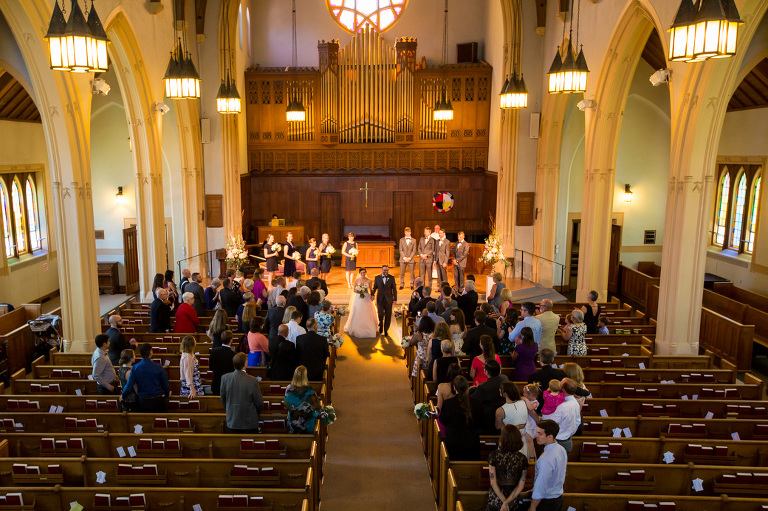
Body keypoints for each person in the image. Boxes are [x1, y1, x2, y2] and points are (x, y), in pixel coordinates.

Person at [438, 375, 484, 461]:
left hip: (454, 443)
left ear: (454, 388)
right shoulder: (477, 403)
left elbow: (442, 420)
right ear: (467, 387)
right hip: (472, 443)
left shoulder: (448, 404)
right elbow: (481, 422)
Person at [486, 424, 528, 511]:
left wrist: (503, 501)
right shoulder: (522, 458)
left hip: (496, 497)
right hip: (512, 498)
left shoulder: (494, 455)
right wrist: (507, 502)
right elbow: (521, 485)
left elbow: (493, 483)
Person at [220, 353, 264, 434]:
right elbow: (259, 403)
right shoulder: (252, 381)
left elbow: (223, 399)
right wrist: (256, 413)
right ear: (245, 363)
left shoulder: (225, 378)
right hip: (249, 422)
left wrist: (230, 410)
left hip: (233, 421)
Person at [122, 343, 170, 413]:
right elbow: (165, 385)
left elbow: (128, 386)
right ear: (150, 352)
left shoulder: (135, 368)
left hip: (142, 402)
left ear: (140, 353)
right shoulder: (158, 367)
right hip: (156, 401)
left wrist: (123, 396)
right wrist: (166, 395)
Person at [530, 420, 567, 511]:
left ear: (550, 437)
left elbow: (541, 485)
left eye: (540, 434)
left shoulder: (546, 458)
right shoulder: (561, 449)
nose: (536, 436)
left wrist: (532, 507)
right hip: (557, 497)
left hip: (546, 502)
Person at [540, 378, 581, 453]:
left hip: (558, 442)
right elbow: (578, 421)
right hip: (567, 441)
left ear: (563, 390)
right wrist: (568, 433)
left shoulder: (562, 406)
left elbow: (550, 423)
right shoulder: (575, 403)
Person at [470, 359, 509, 435]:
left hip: (489, 419)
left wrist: (472, 390)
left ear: (486, 372)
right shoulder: (504, 379)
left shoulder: (483, 387)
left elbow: (472, 400)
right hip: (505, 415)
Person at [494, 382, 531, 454]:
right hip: (523, 438)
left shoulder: (500, 410)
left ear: (505, 394)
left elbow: (498, 426)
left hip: (509, 439)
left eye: (500, 389)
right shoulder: (524, 401)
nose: (499, 390)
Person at [284, 365, 323, 434]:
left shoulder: (289, 390)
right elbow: (317, 410)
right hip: (307, 427)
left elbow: (287, 404)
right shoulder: (309, 391)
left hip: (293, 426)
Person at [344, 268, 379, 338]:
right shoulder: (357, 280)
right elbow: (354, 290)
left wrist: (372, 295)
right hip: (359, 297)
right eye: (362, 273)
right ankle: (357, 328)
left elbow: (371, 289)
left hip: (366, 297)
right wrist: (359, 291)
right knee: (358, 311)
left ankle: (368, 328)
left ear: (366, 273)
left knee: (367, 312)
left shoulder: (369, 281)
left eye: (364, 272)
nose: (363, 274)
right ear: (359, 273)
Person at [372, 265, 397, 335]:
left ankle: (386, 329)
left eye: (387, 270)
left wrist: (395, 299)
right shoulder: (377, 278)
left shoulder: (391, 278)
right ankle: (381, 325)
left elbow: (394, 289)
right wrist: (372, 294)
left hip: (388, 299)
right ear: (381, 270)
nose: (386, 272)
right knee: (380, 313)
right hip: (380, 299)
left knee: (388, 315)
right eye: (384, 270)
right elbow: (375, 287)